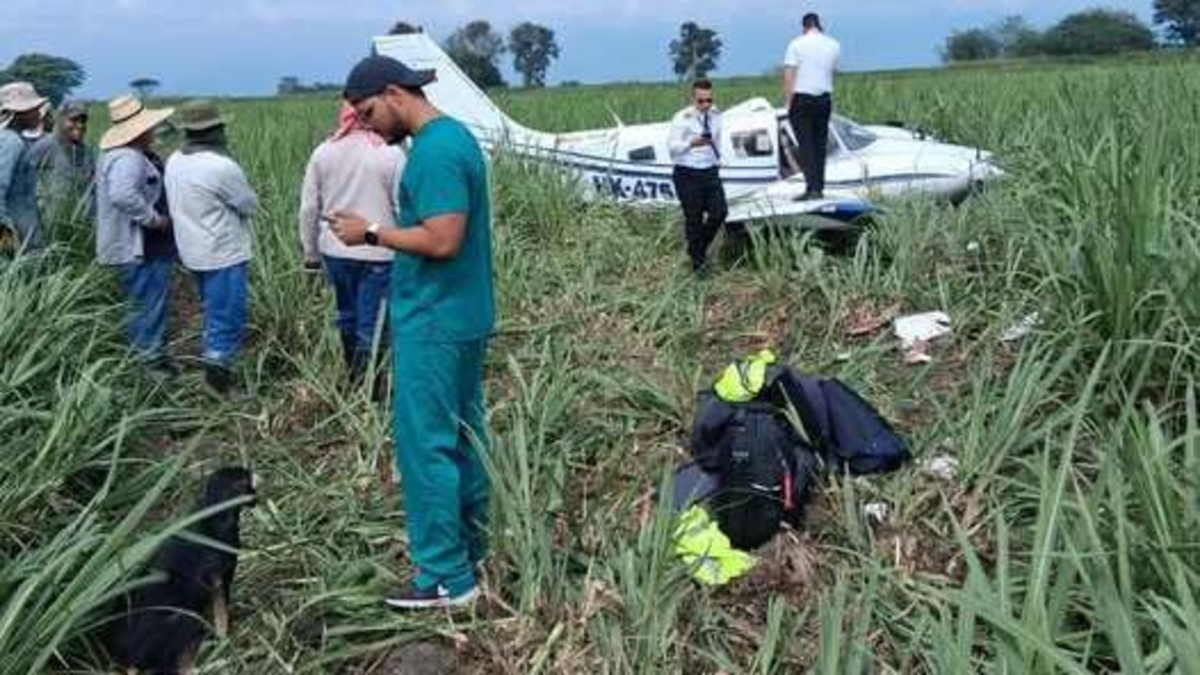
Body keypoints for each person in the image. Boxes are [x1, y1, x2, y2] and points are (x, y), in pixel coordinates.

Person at [333, 54, 495, 610]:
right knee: (462, 438)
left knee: (425, 447)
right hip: (461, 315)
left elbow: (444, 238)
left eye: (368, 111)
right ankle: (471, 553)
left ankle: (445, 577)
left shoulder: (433, 152)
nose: (365, 124)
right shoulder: (454, 140)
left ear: (396, 93)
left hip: (434, 321)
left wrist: (371, 232)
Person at [299, 103, 404, 386]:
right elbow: (402, 207)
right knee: (375, 322)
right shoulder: (390, 153)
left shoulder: (323, 152)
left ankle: (354, 379)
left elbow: (309, 208)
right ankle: (372, 389)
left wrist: (310, 256)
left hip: (335, 250)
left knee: (347, 314)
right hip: (380, 252)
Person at [164, 100, 258, 393]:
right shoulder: (221, 166)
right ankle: (219, 381)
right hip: (222, 253)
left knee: (212, 310)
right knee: (227, 315)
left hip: (192, 252)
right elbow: (248, 205)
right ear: (215, 131)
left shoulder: (174, 161)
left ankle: (214, 360)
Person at [94, 94, 179, 379]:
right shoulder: (128, 158)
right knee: (148, 303)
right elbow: (122, 195)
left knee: (143, 303)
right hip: (140, 247)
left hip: (141, 245)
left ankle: (150, 357)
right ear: (140, 129)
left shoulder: (124, 154)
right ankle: (150, 363)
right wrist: (155, 220)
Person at [667, 78, 727, 275]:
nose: (706, 105)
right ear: (693, 99)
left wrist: (718, 161)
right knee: (694, 218)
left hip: (710, 171)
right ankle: (698, 265)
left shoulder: (717, 115)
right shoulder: (682, 118)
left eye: (709, 100)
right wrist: (692, 143)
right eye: (701, 101)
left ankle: (696, 249)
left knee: (720, 213)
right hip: (687, 173)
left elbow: (717, 140)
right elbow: (672, 148)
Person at [782, 12, 841, 200]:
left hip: (802, 98)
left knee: (806, 146)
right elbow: (830, 72)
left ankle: (811, 189)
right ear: (818, 25)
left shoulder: (796, 44)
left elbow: (790, 75)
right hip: (824, 99)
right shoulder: (834, 45)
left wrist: (788, 102)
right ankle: (819, 188)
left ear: (804, 26)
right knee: (819, 146)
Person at [29, 99, 97, 226]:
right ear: (60, 120)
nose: (80, 125)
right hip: (49, 226)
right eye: (73, 120)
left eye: (83, 121)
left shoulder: (88, 153)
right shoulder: (45, 146)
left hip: (81, 227)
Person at [0, 82, 48, 254]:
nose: (38, 113)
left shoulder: (11, 139)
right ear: (19, 113)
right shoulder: (12, 142)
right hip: (18, 234)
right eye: (33, 108)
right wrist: (6, 233)